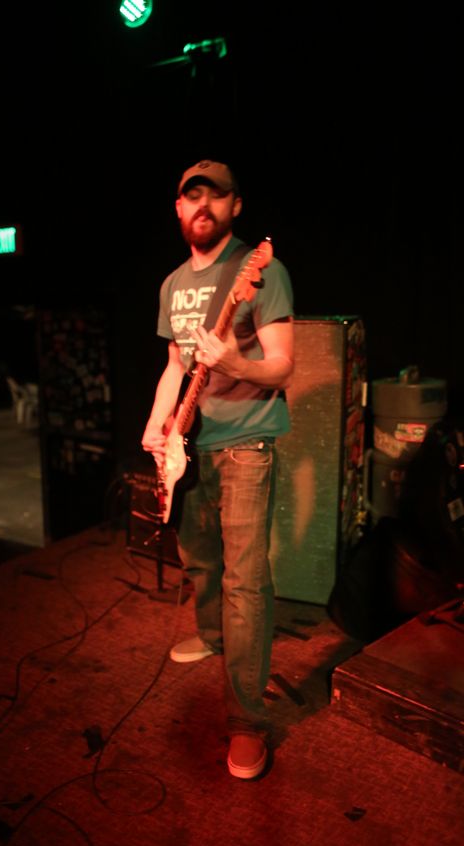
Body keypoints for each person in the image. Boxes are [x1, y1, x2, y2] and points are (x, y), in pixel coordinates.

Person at [141, 159, 295, 780]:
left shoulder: (262, 270)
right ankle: (212, 636)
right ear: (178, 208)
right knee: (199, 559)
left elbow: (282, 366)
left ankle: (246, 721)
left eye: (215, 195)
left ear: (235, 205)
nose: (201, 205)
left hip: (247, 444)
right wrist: (158, 423)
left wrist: (235, 362)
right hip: (191, 446)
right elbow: (176, 367)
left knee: (245, 583)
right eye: (191, 196)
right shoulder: (172, 284)